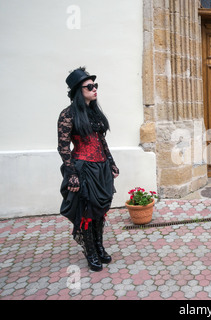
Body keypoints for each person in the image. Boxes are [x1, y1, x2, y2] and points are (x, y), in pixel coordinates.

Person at [57, 67, 119, 272]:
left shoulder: (94, 112)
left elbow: (101, 141)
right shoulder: (67, 114)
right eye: (89, 86)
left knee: (100, 211)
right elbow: (63, 147)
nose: (94, 89)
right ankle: (90, 252)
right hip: (83, 168)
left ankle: (100, 247)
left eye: (95, 85)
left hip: (101, 168)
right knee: (87, 212)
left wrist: (111, 162)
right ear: (78, 90)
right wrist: (72, 174)